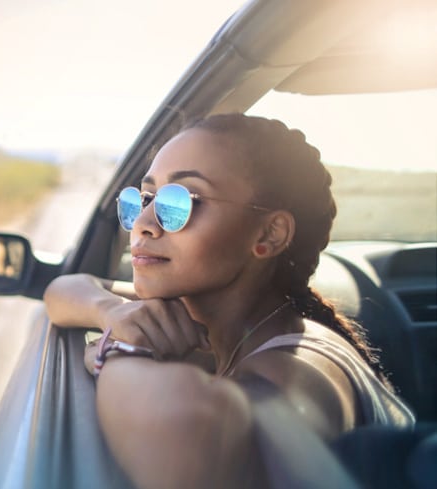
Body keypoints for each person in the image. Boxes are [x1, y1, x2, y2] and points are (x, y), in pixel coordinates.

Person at [42, 113, 415, 488]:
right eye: (144, 198)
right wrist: (109, 312)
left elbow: (191, 444)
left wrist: (120, 350)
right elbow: (66, 288)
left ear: (270, 233)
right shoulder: (196, 315)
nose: (143, 222)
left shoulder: (305, 363)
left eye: (180, 201)